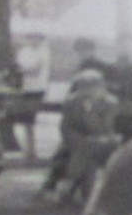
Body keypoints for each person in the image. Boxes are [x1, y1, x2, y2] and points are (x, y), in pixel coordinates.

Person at [43, 68, 121, 202]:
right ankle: (87, 195)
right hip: (79, 143)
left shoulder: (111, 103)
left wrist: (88, 113)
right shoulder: (71, 101)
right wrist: (81, 140)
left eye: (90, 91)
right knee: (87, 154)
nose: (86, 95)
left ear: (101, 88)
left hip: (105, 141)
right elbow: (65, 127)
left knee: (86, 150)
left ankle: (68, 186)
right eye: (83, 91)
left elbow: (104, 129)